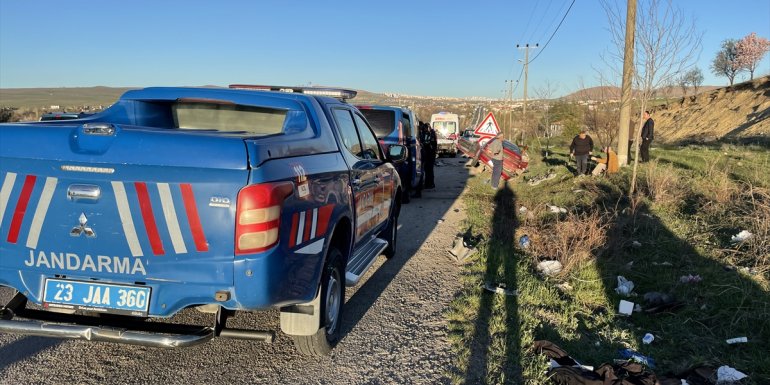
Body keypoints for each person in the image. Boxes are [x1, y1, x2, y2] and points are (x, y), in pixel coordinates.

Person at [419, 122, 437, 189]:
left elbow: (427, 143)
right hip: (430, 154)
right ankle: (429, 183)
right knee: (428, 170)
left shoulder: (429, 134)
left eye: (424, 128)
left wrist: (422, 143)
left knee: (429, 169)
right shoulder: (431, 133)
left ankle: (430, 184)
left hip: (429, 154)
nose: (423, 129)